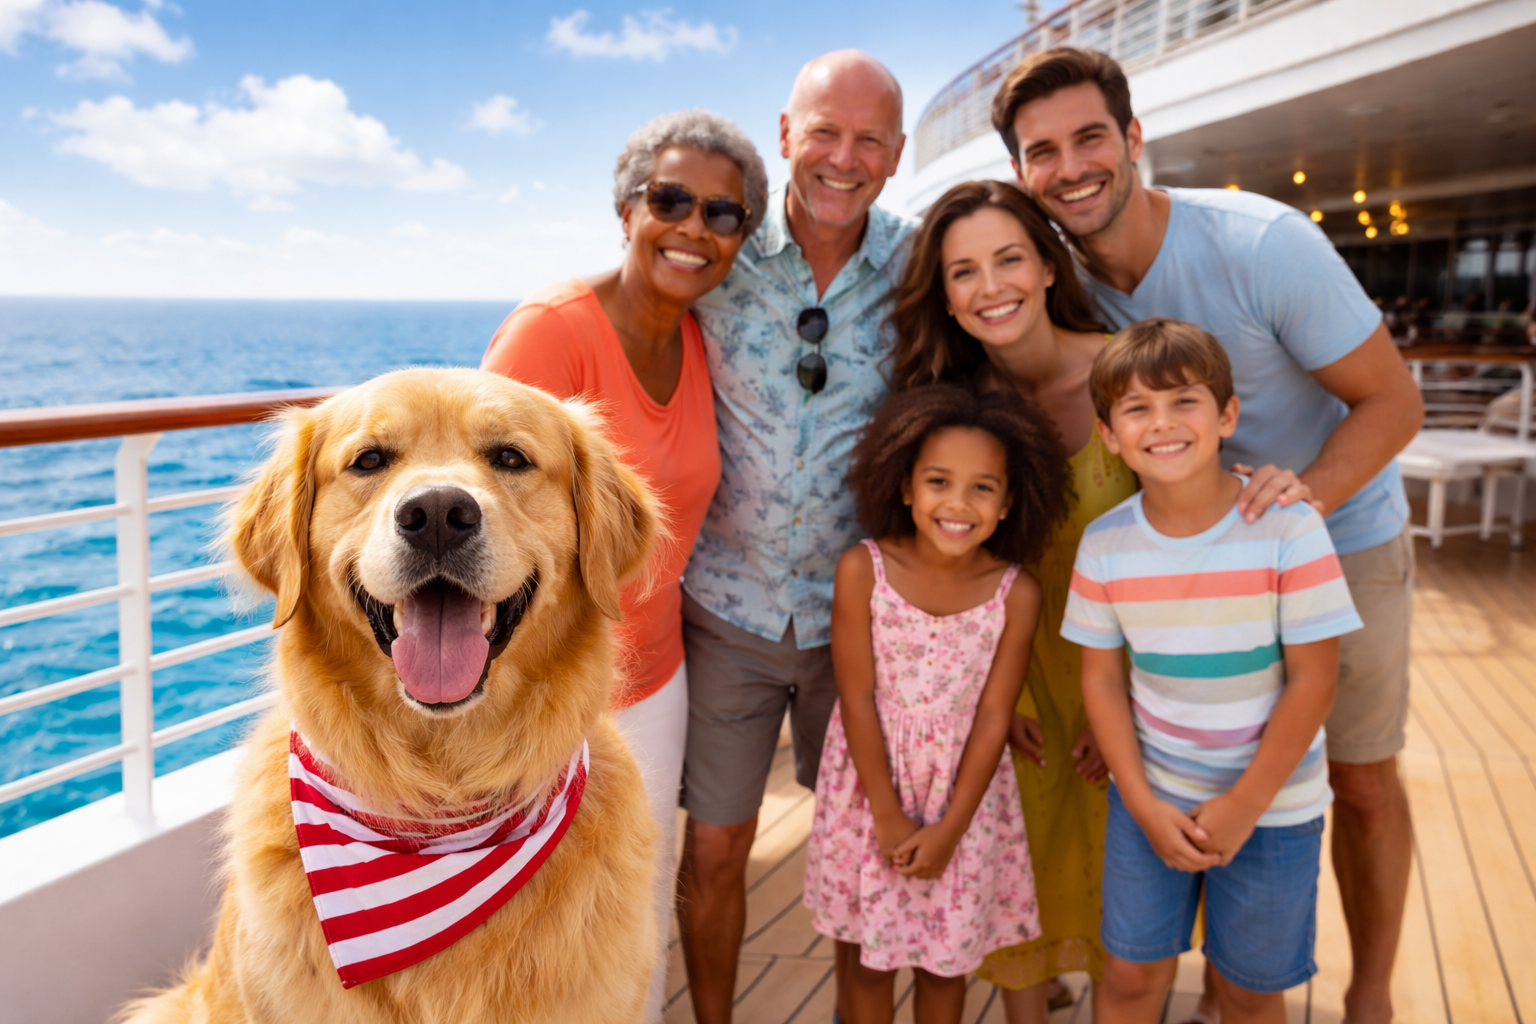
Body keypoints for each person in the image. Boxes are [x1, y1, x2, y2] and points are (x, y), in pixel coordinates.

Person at [993, 48, 1423, 1024]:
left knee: (1356, 776)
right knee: (1181, 759)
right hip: (1172, 553)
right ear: (1024, 172)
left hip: (1328, 528)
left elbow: (1395, 402)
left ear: (1134, 138)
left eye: (1090, 136)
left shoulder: (1261, 243)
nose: (1071, 166)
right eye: (1042, 151)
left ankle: (1373, 993)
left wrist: (1295, 503)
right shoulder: (1061, 282)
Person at [887, 179, 1311, 1024]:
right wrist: (984, 704)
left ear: (1048, 265)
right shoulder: (954, 407)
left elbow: (1207, 496)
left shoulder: (1128, 372)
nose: (991, 286)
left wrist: (1277, 484)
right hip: (1011, 682)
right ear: (944, 293)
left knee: (1146, 926)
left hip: (1139, 682)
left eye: (1010, 258)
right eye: (963, 271)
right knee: (1026, 880)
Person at [480, 109, 767, 1024]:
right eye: (670, 200)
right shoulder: (550, 336)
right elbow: (490, 511)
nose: (692, 228)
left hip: (653, 672)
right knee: (525, 918)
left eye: (722, 215)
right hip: (545, 684)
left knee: (632, 908)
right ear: (625, 206)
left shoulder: (695, 338)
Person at [677, 50, 914, 1024]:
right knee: (717, 848)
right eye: (823, 131)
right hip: (727, 604)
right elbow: (620, 310)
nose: (842, 158)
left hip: (862, 613)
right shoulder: (718, 250)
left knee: (866, 851)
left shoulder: (919, 266)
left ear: (897, 155)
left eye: (868, 140)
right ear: (785, 136)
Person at [1069, 319, 1363, 1023]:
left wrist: (1244, 806)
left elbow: (1314, 682)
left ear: (1227, 414)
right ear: (1109, 434)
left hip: (1275, 811)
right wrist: (1141, 803)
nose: (1161, 424)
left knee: (1248, 993)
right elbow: (1102, 681)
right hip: (1152, 802)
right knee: (1132, 979)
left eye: (1184, 402)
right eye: (1136, 409)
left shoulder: (1288, 528)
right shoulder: (1105, 545)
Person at [804, 384, 1067, 1024]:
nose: (958, 503)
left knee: (945, 964)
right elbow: (858, 698)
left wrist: (950, 829)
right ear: (905, 487)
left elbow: (994, 717)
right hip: (872, 791)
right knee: (867, 961)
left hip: (963, 800)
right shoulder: (863, 570)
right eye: (939, 481)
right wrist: (889, 816)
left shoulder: (1015, 592)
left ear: (1008, 503)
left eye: (982, 487)